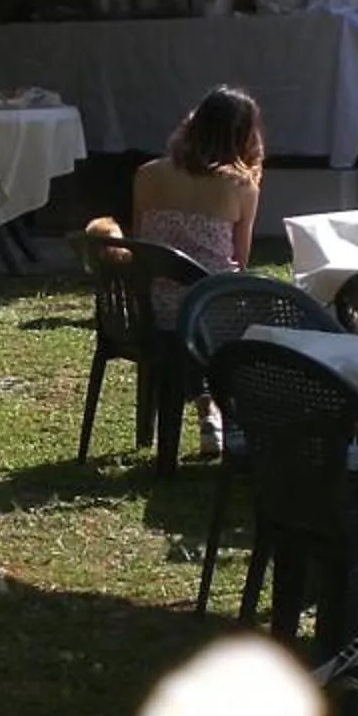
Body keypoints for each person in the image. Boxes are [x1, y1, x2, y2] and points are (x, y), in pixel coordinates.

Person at [128, 87, 265, 455]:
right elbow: (240, 257)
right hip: (209, 311)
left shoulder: (147, 174)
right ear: (244, 136)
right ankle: (232, 418)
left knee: (201, 308)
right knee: (265, 316)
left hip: (152, 306)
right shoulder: (240, 185)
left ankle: (206, 409)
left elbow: (141, 239)